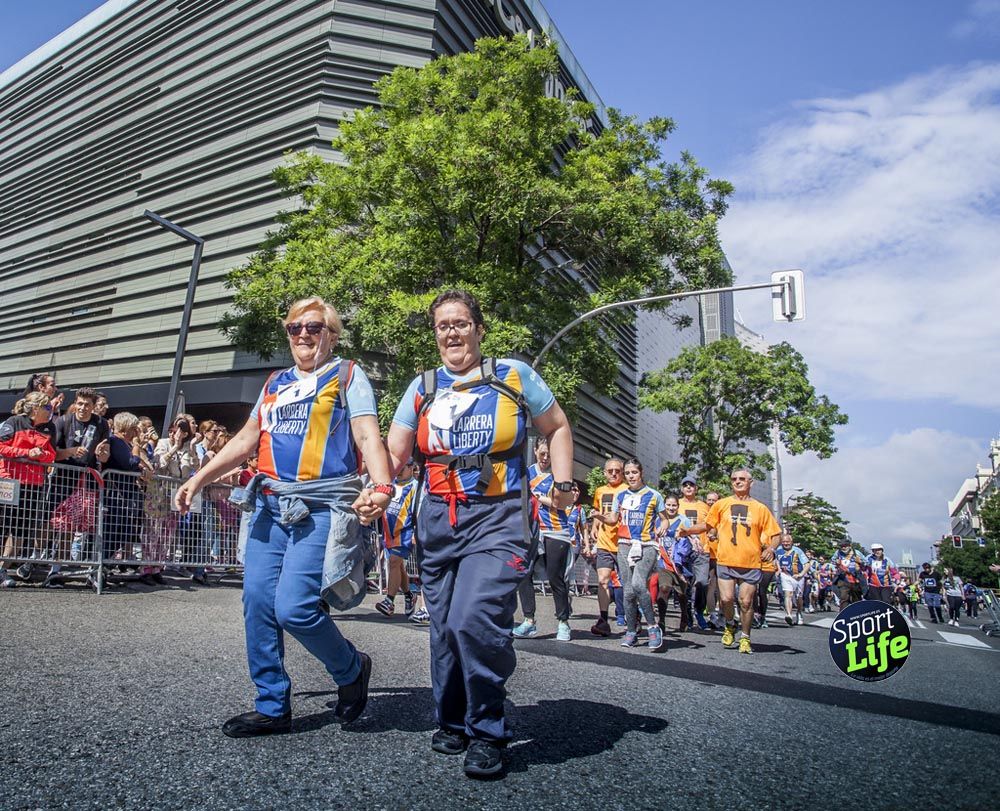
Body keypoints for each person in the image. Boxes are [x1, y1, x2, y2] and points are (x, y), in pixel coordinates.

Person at [174, 296, 392, 738]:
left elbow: (367, 433)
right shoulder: (274, 382)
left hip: (320, 505)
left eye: (314, 327)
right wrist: (197, 478)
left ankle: (351, 668)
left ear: (331, 334)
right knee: (256, 601)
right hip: (270, 506)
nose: (304, 335)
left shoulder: (348, 375)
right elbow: (246, 439)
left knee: (294, 608)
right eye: (295, 328)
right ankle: (272, 704)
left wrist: (383, 486)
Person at [386, 289, 573, 779]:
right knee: (445, 627)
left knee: (475, 620)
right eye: (443, 325)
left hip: (499, 518)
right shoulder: (422, 387)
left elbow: (556, 427)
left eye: (461, 323)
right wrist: (376, 488)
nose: (452, 332)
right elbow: (395, 453)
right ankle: (452, 720)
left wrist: (563, 482)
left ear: (479, 329)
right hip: (438, 522)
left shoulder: (513, 375)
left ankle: (488, 729)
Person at [687, 469, 782, 655]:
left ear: (750, 482)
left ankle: (745, 637)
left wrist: (771, 548)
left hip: (751, 563)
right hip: (726, 560)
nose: (737, 482)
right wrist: (686, 530)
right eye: (734, 479)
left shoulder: (760, 509)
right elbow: (707, 525)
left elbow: (776, 534)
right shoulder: (721, 505)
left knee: (746, 602)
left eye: (742, 479)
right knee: (726, 599)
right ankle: (730, 625)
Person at [592, 459, 668, 651]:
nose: (631, 476)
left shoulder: (654, 496)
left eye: (634, 472)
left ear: (641, 473)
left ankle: (652, 626)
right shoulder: (621, 495)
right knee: (627, 590)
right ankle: (632, 631)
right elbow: (612, 519)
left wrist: (662, 528)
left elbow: (665, 520)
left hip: (646, 545)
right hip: (624, 544)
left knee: (637, 584)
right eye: (628, 473)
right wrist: (599, 516)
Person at [513, 437, 576, 642]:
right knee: (524, 573)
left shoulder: (560, 474)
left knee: (555, 577)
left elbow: (564, 503)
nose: (546, 458)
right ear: (535, 450)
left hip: (556, 530)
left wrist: (542, 498)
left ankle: (563, 622)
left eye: (549, 454)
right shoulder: (527, 473)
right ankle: (529, 620)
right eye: (542, 453)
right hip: (531, 529)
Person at [0, 392, 56, 588]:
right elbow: (1, 447)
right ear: (35, 408)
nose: (50, 411)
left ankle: (2, 569)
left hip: (34, 485)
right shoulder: (14, 421)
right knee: (4, 527)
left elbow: (51, 455)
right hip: (10, 481)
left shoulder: (49, 428)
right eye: (47, 407)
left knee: (20, 531)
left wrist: (39, 455)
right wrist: (26, 453)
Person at [585, 458, 628, 636]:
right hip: (604, 542)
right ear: (604, 473)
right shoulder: (600, 491)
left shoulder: (627, 490)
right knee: (603, 580)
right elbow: (597, 510)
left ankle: (632, 617)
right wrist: (594, 526)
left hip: (624, 542)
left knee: (628, 583)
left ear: (622, 472)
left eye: (617, 470)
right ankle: (603, 620)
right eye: (610, 471)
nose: (613, 473)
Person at [375, 459, 418, 618]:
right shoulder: (390, 484)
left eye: (404, 467)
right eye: (396, 467)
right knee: (397, 566)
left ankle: (389, 601)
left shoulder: (415, 487)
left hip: (404, 531)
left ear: (412, 467)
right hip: (388, 531)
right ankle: (409, 595)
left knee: (394, 561)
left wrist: (415, 531)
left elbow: (417, 510)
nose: (399, 470)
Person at [678, 476, 711, 630]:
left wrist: (713, 534)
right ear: (682, 488)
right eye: (686, 485)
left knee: (702, 583)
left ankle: (699, 610)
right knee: (685, 585)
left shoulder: (704, 506)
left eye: (691, 485)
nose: (689, 487)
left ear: (696, 488)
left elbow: (712, 525)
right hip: (683, 550)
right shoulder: (676, 504)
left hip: (702, 550)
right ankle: (687, 613)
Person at [775, 533, 809, 626]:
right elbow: (777, 560)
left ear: (791, 542)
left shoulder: (798, 551)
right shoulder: (778, 551)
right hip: (785, 575)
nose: (785, 544)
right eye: (784, 542)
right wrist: (778, 570)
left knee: (799, 597)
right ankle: (789, 615)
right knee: (788, 594)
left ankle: (799, 612)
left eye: (787, 542)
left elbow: (807, 564)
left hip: (797, 576)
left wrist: (801, 574)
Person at [830, 541, 867, 606]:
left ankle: (856, 614)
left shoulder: (856, 553)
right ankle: (843, 614)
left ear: (850, 546)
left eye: (845, 546)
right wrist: (836, 562)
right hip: (843, 579)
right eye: (842, 546)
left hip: (855, 579)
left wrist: (859, 561)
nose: (843, 548)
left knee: (856, 599)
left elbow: (867, 563)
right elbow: (832, 561)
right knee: (843, 598)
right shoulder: (838, 553)